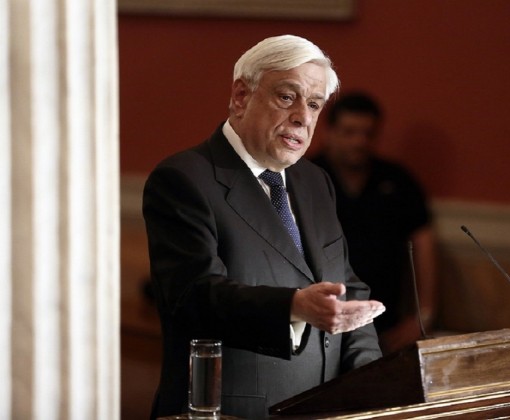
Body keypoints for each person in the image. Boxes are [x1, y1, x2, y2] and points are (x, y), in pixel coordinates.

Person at [142, 36, 385, 420]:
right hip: (227, 410)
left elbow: (348, 289)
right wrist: (293, 306)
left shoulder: (314, 181)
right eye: (287, 97)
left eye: (314, 104)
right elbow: (195, 296)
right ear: (241, 96)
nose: (303, 117)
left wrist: (370, 379)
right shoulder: (184, 179)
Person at [312, 92, 437, 354]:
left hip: (385, 323)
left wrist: (423, 314)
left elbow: (424, 243)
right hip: (320, 321)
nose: (359, 142)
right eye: (349, 132)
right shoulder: (306, 177)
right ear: (329, 133)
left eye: (367, 133)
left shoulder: (397, 180)